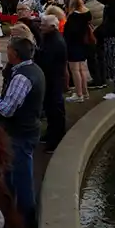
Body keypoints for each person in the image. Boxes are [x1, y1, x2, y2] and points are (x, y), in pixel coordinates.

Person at [0, 36, 45, 228]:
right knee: (11, 174)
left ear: (15, 54)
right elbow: (13, 101)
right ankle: (10, 213)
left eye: (9, 49)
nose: (6, 52)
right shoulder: (33, 69)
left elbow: (7, 109)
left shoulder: (21, 77)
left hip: (20, 133)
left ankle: (27, 221)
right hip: (26, 129)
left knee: (22, 178)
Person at [36, 15, 68, 153]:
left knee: (55, 110)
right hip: (51, 78)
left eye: (43, 25)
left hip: (53, 79)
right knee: (50, 109)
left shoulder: (55, 42)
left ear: (52, 27)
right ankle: (50, 134)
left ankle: (55, 140)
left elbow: (47, 61)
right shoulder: (49, 38)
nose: (40, 27)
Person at [64, 0, 92, 102]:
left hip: (73, 45)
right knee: (82, 70)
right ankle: (85, 92)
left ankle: (79, 94)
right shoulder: (85, 15)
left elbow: (69, 33)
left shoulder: (73, 17)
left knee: (75, 70)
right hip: (82, 44)